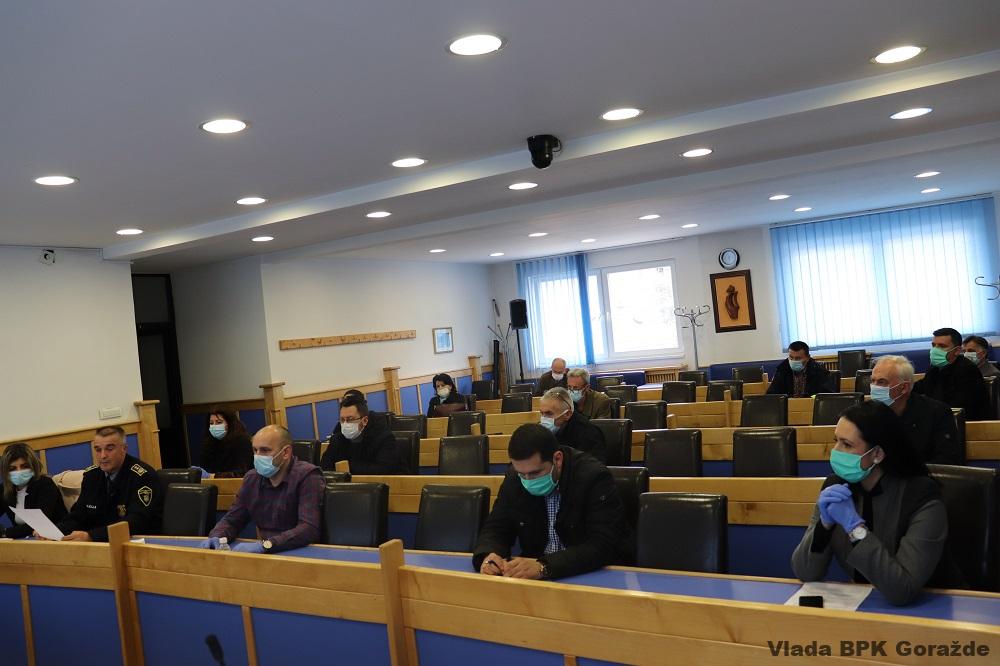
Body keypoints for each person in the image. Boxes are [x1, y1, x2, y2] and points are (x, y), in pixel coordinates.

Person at [791, 402, 964, 606]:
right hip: (865, 602)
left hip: (930, 608)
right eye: (836, 441)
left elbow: (902, 590)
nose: (835, 451)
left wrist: (855, 528)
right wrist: (823, 526)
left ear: (877, 454)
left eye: (847, 445)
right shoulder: (836, 486)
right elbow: (805, 572)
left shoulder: (921, 497)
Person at [472, 423, 633, 580]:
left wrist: (545, 566)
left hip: (589, 574)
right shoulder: (514, 478)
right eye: (522, 474)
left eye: (535, 473)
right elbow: (496, 527)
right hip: (536, 576)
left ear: (557, 459)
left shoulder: (593, 477)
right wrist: (489, 555)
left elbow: (604, 543)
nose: (528, 481)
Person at [201, 425, 323, 553]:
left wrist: (268, 545)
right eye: (255, 450)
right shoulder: (252, 478)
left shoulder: (308, 476)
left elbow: (308, 528)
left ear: (286, 452)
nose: (258, 456)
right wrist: (217, 536)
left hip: (302, 553)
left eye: (265, 450)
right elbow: (232, 520)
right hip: (267, 554)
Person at [52, 426, 163, 542]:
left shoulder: (143, 476)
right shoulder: (92, 476)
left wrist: (92, 536)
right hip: (101, 543)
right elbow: (78, 515)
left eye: (109, 449)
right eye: (98, 450)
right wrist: (54, 532)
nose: (103, 456)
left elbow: (136, 521)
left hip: (137, 542)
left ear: (124, 449)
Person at [870, 356, 963, 464]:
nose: (874, 387)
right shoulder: (869, 414)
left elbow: (946, 462)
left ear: (904, 388)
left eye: (882, 382)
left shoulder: (937, 413)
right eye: (872, 381)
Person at [913, 327, 991, 420]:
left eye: (942, 346)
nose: (935, 350)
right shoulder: (936, 367)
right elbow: (922, 386)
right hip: (941, 419)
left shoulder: (967, 370)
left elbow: (956, 407)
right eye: (934, 345)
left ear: (957, 351)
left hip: (967, 423)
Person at [320, 394, 402, 474]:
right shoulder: (337, 440)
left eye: (350, 419)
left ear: (365, 421)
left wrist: (346, 467)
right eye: (342, 420)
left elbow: (383, 469)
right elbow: (324, 467)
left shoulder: (384, 438)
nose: (345, 424)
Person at [0, 443, 68, 539]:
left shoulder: (45, 485)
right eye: (12, 469)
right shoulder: (5, 489)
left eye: (24, 466)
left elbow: (39, 524)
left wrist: (5, 532)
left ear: (33, 466)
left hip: (52, 539)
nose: (19, 471)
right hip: (22, 540)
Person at [540, 387, 607, 462]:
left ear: (567, 414)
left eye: (549, 413)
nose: (543, 419)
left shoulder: (589, 433)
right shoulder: (543, 432)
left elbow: (592, 466)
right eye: (542, 413)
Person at [198, 407, 253, 478]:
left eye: (219, 422)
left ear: (230, 424)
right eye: (211, 423)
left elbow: (241, 473)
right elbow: (205, 468)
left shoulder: (242, 442)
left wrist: (212, 476)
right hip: (212, 483)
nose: (214, 426)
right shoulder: (209, 443)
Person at [767, 341, 835, 397]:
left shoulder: (819, 371)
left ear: (808, 358)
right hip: (788, 407)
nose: (794, 361)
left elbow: (827, 396)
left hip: (812, 407)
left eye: (798, 358)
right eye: (791, 357)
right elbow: (772, 395)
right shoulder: (782, 370)